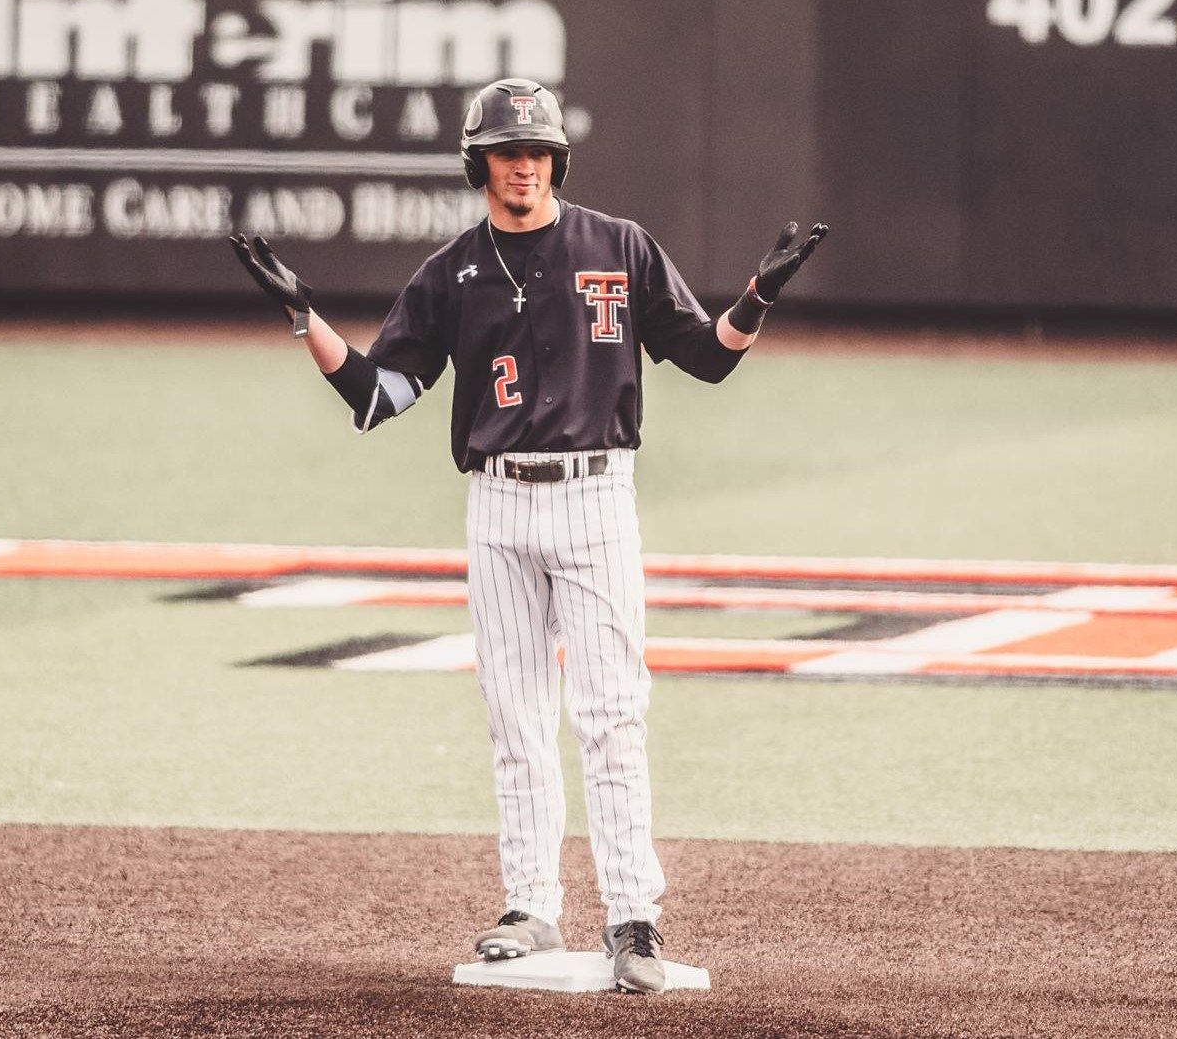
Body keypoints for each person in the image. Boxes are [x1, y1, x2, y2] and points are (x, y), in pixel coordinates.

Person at [228, 77, 826, 994]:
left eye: (537, 150)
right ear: (479, 164)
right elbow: (381, 394)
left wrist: (756, 299)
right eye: (508, 151)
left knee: (611, 712)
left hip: (595, 496)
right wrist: (304, 316)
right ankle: (530, 904)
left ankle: (634, 917)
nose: (524, 165)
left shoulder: (617, 245)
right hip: (498, 504)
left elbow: (704, 356)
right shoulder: (451, 273)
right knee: (514, 712)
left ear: (556, 160)